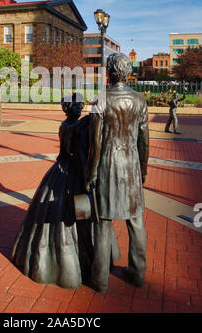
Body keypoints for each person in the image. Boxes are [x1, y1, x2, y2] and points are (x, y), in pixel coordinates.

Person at [11, 92, 119, 289]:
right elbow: (80, 131)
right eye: (75, 106)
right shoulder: (71, 126)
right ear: (68, 109)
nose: (79, 108)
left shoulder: (72, 125)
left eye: (80, 105)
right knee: (70, 210)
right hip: (69, 169)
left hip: (69, 168)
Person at [85, 53, 149, 293]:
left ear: (109, 73)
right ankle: (137, 273)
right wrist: (142, 170)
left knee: (103, 223)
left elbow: (96, 143)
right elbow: (144, 141)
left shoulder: (101, 99)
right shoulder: (140, 100)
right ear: (128, 73)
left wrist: (90, 174)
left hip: (108, 165)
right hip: (131, 164)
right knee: (136, 221)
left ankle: (100, 280)